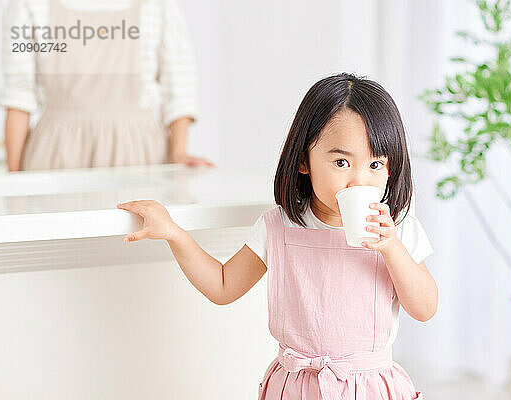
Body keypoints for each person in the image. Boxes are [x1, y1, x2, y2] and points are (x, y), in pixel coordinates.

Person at [117, 73, 436, 399]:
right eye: (342, 162)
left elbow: (425, 308)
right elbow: (223, 286)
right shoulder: (279, 227)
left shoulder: (399, 229)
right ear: (303, 162)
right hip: (296, 388)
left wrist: (391, 247)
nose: (359, 180)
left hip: (368, 388)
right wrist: (174, 233)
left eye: (375, 165)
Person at [1, 0, 212, 171]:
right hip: (54, 158)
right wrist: (16, 183)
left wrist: (179, 154)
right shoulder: (27, 4)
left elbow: (179, 89)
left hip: (140, 160)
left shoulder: (158, 5)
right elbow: (19, 96)